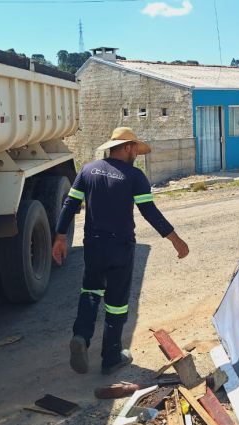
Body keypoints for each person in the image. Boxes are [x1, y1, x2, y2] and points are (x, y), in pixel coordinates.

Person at [53, 127, 189, 375]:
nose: (136, 152)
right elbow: (150, 212)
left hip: (93, 245)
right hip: (121, 247)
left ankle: (81, 336)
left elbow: (70, 204)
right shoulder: (135, 176)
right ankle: (111, 357)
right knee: (116, 303)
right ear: (127, 147)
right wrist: (175, 239)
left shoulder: (88, 170)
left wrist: (60, 237)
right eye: (135, 147)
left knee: (91, 291)